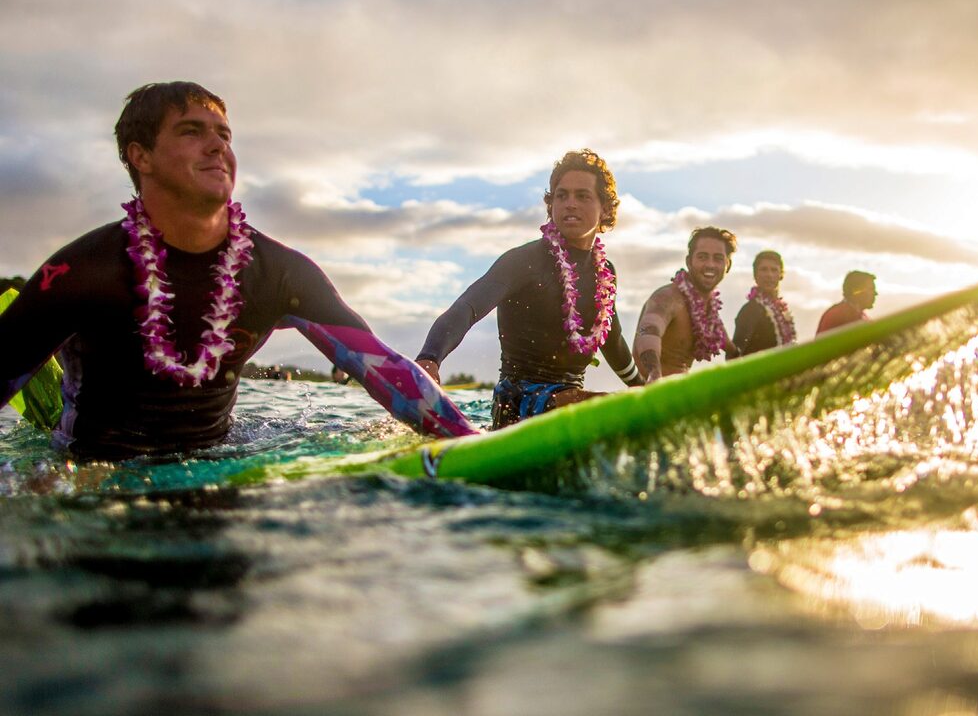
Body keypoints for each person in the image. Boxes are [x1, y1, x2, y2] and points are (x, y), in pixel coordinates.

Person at [0, 81, 474, 460]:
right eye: (192, 131)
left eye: (223, 135)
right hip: (90, 475)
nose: (217, 147)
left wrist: (470, 438)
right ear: (139, 155)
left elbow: (386, 372)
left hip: (215, 466)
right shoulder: (84, 269)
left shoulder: (278, 273)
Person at [415, 149, 642, 429]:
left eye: (582, 196)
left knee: (608, 404)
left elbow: (613, 340)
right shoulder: (523, 262)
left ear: (605, 208)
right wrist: (430, 359)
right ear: (551, 205)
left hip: (574, 402)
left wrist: (642, 388)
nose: (570, 204)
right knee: (606, 406)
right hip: (517, 403)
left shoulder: (605, 274)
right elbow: (467, 307)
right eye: (562, 195)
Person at [634, 227, 738, 382]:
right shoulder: (667, 297)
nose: (710, 264)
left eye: (718, 258)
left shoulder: (710, 314)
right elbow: (648, 331)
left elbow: (732, 351)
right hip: (651, 395)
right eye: (702, 257)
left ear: (727, 265)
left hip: (685, 395)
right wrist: (654, 374)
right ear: (689, 261)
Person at [732, 250, 796, 357]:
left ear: (781, 275)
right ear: (755, 275)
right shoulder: (750, 310)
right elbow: (737, 354)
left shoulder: (782, 310)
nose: (769, 275)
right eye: (763, 269)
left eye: (774, 270)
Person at [816, 270, 876, 334]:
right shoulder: (836, 315)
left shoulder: (864, 317)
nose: (875, 293)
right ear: (856, 291)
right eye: (871, 289)